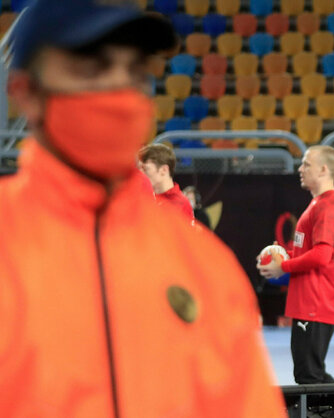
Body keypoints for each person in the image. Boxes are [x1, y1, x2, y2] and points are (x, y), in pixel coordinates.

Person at [0, 1, 285, 416]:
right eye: (92, 68)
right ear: (26, 92)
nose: (119, 88)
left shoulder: (205, 266)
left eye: (135, 73)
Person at [258, 145, 334, 384]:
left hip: (316, 302)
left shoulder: (326, 207)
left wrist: (282, 268)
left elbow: (321, 256)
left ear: (323, 170)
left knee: (309, 376)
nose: (300, 169)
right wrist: (283, 255)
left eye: (306, 164)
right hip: (310, 302)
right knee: (310, 374)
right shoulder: (320, 204)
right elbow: (310, 251)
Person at [138, 143, 194, 220]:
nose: (141, 174)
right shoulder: (147, 197)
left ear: (164, 170)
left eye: (146, 169)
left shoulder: (180, 204)